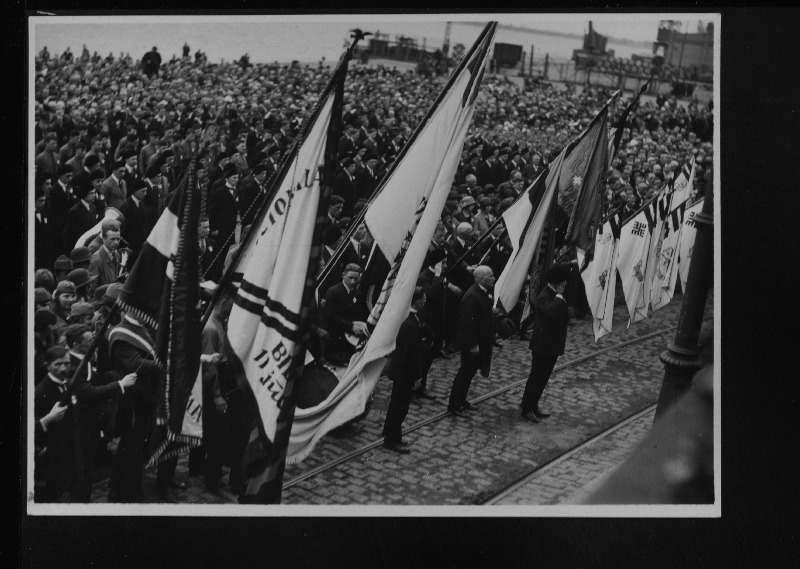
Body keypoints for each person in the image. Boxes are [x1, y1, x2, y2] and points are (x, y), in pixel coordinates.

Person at [520, 263, 571, 423]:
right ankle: (527, 408)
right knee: (536, 377)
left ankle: (533, 405)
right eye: (563, 282)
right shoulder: (546, 295)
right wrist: (559, 297)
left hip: (552, 345)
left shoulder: (555, 294)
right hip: (542, 345)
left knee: (543, 378)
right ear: (558, 282)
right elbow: (550, 312)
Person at [382, 287, 429, 454]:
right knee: (399, 407)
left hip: (402, 371)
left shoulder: (410, 318)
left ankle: (395, 436)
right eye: (423, 298)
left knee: (400, 406)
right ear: (417, 301)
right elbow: (412, 353)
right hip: (404, 373)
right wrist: (417, 377)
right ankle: (391, 439)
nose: (425, 301)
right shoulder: (409, 322)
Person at [447, 265, 496, 415]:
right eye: (491, 276)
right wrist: (473, 345)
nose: (494, 279)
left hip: (480, 340)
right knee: (465, 373)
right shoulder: (472, 296)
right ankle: (454, 405)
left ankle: (461, 400)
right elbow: (468, 324)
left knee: (470, 373)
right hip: (472, 344)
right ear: (482, 279)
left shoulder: (482, 293)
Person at [323, 263, 370, 365]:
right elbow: (330, 317)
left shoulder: (357, 293)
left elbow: (361, 313)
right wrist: (351, 326)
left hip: (352, 338)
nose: (353, 282)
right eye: (350, 278)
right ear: (343, 275)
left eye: (356, 279)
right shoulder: (333, 292)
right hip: (337, 340)